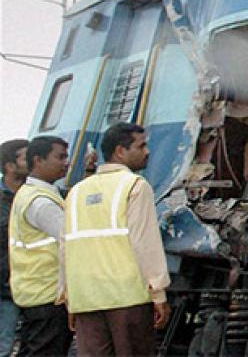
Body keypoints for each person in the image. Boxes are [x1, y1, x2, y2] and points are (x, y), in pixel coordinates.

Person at [64, 124, 169, 357]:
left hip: (86, 297)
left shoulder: (76, 192)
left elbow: (66, 247)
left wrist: (69, 297)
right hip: (127, 297)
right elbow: (145, 243)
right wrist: (158, 292)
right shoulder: (135, 186)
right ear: (120, 151)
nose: (148, 152)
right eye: (141, 146)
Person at [8, 136, 70, 357]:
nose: (66, 163)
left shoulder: (29, 193)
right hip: (48, 293)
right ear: (38, 160)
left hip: (34, 291)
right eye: (60, 157)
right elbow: (71, 239)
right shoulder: (41, 202)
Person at [0, 139, 30, 357]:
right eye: (27, 157)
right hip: (5, 288)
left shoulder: (35, 194)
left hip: (27, 285)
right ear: (10, 166)